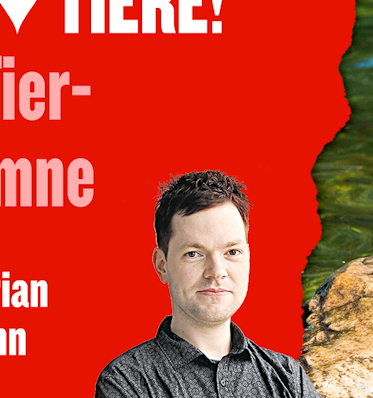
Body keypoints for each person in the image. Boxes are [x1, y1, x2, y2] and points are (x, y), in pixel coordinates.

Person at [96, 171, 318, 398]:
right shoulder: (127, 382)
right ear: (162, 265)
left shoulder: (288, 377)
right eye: (194, 254)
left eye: (232, 252)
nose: (217, 272)